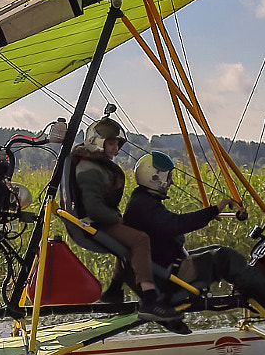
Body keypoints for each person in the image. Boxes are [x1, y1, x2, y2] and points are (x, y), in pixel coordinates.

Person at [123, 151, 265, 319]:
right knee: (224, 258)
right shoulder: (144, 206)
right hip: (167, 276)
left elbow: (170, 226)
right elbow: (178, 224)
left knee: (218, 250)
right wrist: (214, 210)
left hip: (166, 267)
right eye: (169, 177)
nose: (171, 182)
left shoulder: (141, 201)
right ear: (155, 178)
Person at [69, 117, 183, 322]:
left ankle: (113, 291)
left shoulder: (95, 165)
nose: (116, 148)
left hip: (99, 220)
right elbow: (94, 208)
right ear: (97, 142)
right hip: (94, 222)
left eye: (117, 144)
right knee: (140, 239)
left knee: (130, 238)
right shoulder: (89, 169)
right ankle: (150, 299)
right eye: (111, 143)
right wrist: (116, 219)